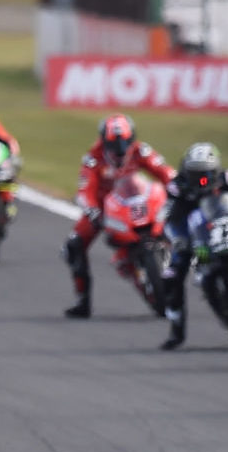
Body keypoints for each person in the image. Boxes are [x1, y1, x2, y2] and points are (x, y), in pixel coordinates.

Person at [60, 116, 175, 318]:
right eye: (114, 145)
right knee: (75, 244)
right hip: (105, 208)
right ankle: (82, 300)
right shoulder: (93, 158)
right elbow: (85, 189)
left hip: (138, 201)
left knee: (176, 221)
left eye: (125, 143)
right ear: (104, 142)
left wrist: (176, 187)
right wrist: (92, 210)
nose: (120, 149)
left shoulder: (140, 150)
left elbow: (164, 171)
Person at [157, 143, 228, 350]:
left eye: (205, 175)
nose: (200, 181)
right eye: (195, 175)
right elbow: (168, 220)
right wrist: (180, 240)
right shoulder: (177, 188)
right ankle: (176, 329)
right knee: (171, 274)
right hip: (193, 234)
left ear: (216, 171)